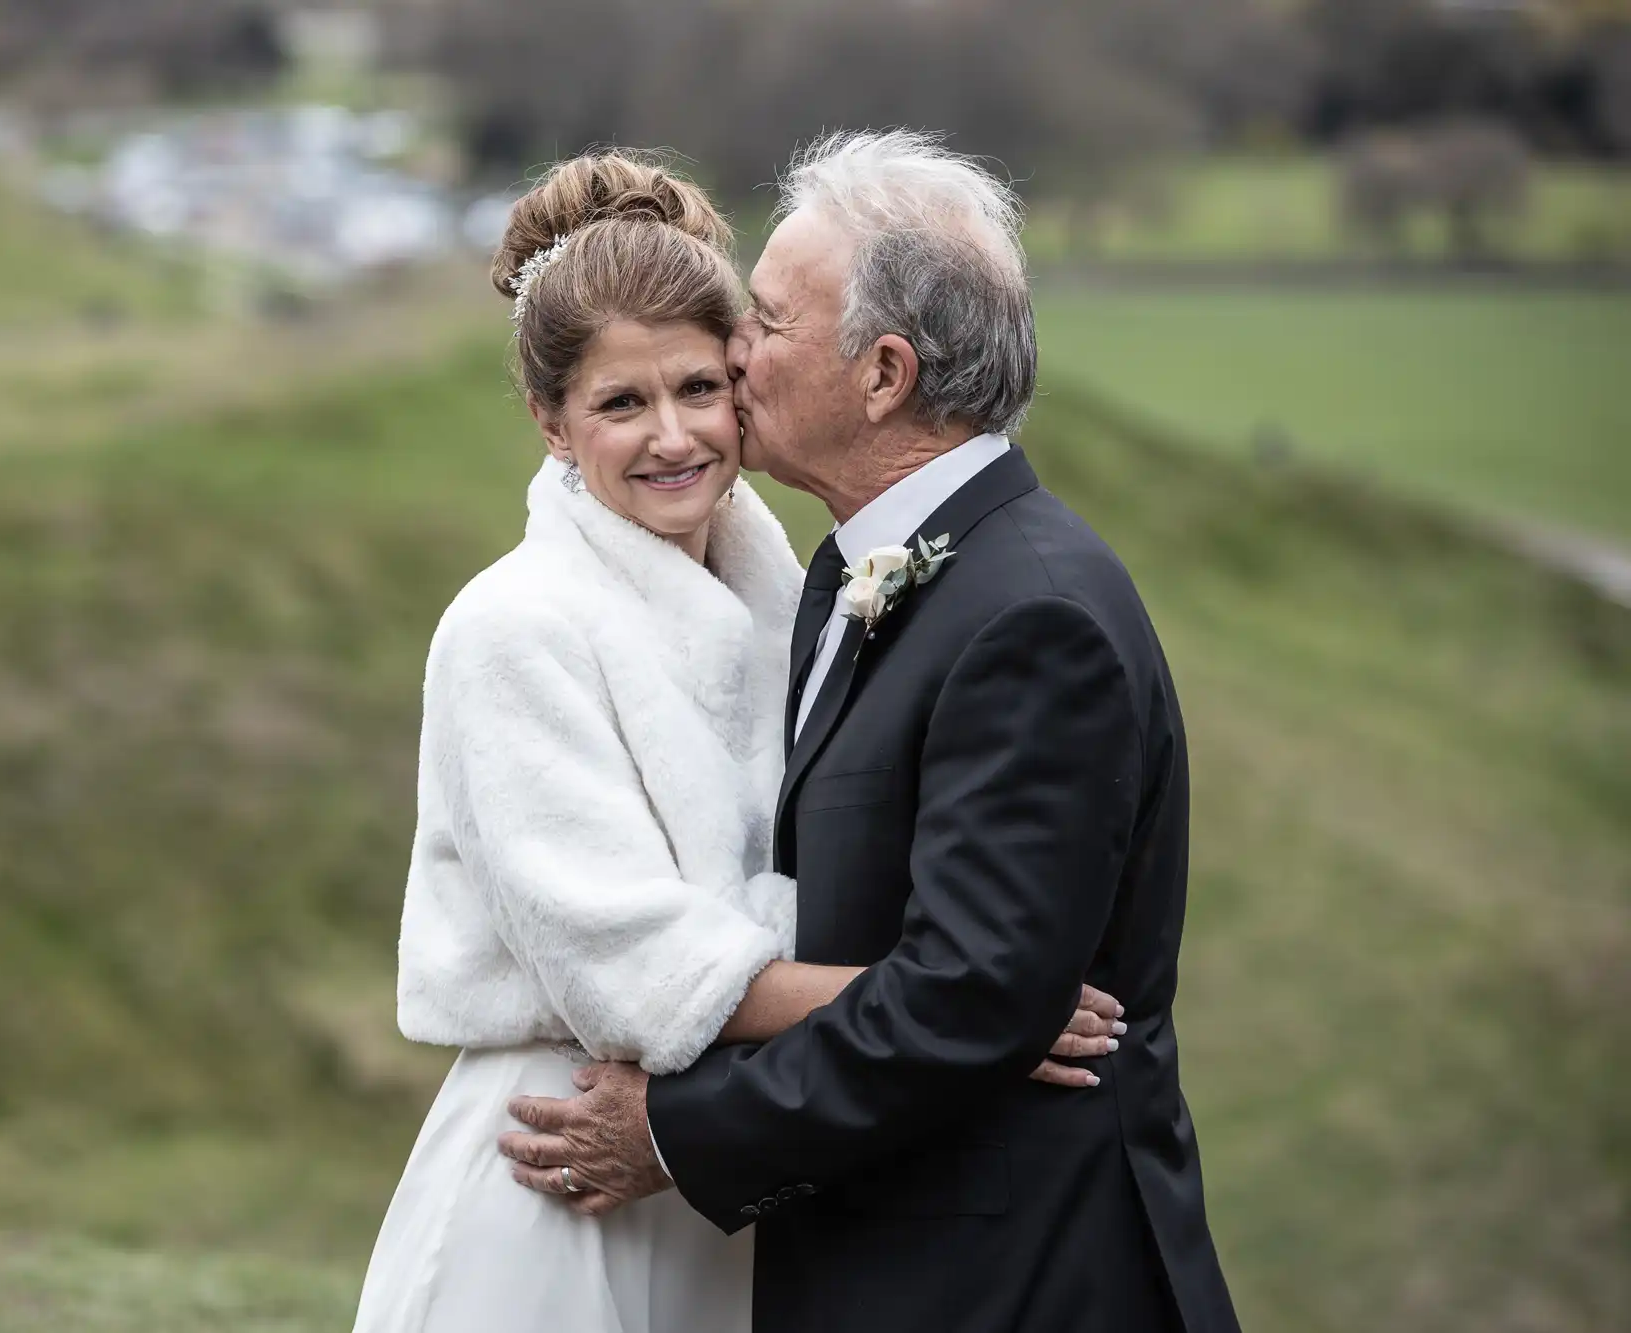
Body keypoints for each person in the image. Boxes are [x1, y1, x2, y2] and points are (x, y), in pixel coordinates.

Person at [349, 149, 1122, 1333]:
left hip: (734, 1171)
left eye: (699, 388)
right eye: (619, 403)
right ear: (550, 421)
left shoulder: (792, 594)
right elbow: (628, 968)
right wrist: (961, 1018)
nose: (672, 437)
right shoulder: (509, 630)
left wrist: (944, 1016)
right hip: (567, 1155)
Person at [498, 132, 1243, 1333]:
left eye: (769, 324)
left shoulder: (1029, 615)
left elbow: (967, 998)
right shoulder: (855, 575)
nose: (734, 352)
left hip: (1013, 1285)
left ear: (883, 373)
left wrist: (674, 1135)